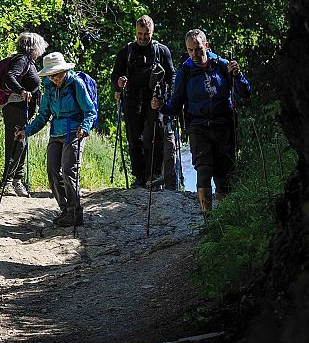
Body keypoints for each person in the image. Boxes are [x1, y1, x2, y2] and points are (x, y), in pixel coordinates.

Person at [152, 28, 250, 213]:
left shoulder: (223, 66)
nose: (194, 54)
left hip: (223, 125)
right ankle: (208, 218)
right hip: (198, 127)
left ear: (206, 46)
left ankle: (224, 217)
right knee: (203, 170)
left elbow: (245, 93)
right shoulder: (185, 72)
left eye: (198, 49)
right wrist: (161, 106)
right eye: (190, 50)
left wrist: (238, 75)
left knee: (224, 176)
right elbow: (176, 105)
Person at [15, 52, 97, 226]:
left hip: (74, 131)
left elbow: (90, 111)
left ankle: (75, 213)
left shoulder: (76, 84)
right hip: (56, 133)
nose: (53, 78)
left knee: (68, 171)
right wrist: (26, 131)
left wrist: (85, 128)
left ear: (64, 71)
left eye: (56, 75)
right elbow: (43, 115)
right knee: (52, 171)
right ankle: (65, 210)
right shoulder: (49, 87)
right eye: (50, 75)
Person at [110, 15, 175, 189]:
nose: (143, 37)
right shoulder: (126, 51)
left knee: (154, 136)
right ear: (135, 32)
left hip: (155, 99)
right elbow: (115, 75)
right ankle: (139, 177)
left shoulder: (162, 51)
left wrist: (164, 97)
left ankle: (153, 175)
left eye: (146, 34)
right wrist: (119, 83)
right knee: (134, 139)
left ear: (152, 32)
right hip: (132, 99)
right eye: (140, 34)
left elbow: (171, 76)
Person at [1, 32, 48, 198]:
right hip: (16, 108)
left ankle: (16, 181)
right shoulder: (22, 60)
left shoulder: (29, 62)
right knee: (16, 143)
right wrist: (21, 91)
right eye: (40, 46)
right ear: (33, 47)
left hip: (23, 109)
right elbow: (10, 76)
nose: (41, 50)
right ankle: (7, 182)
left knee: (22, 143)